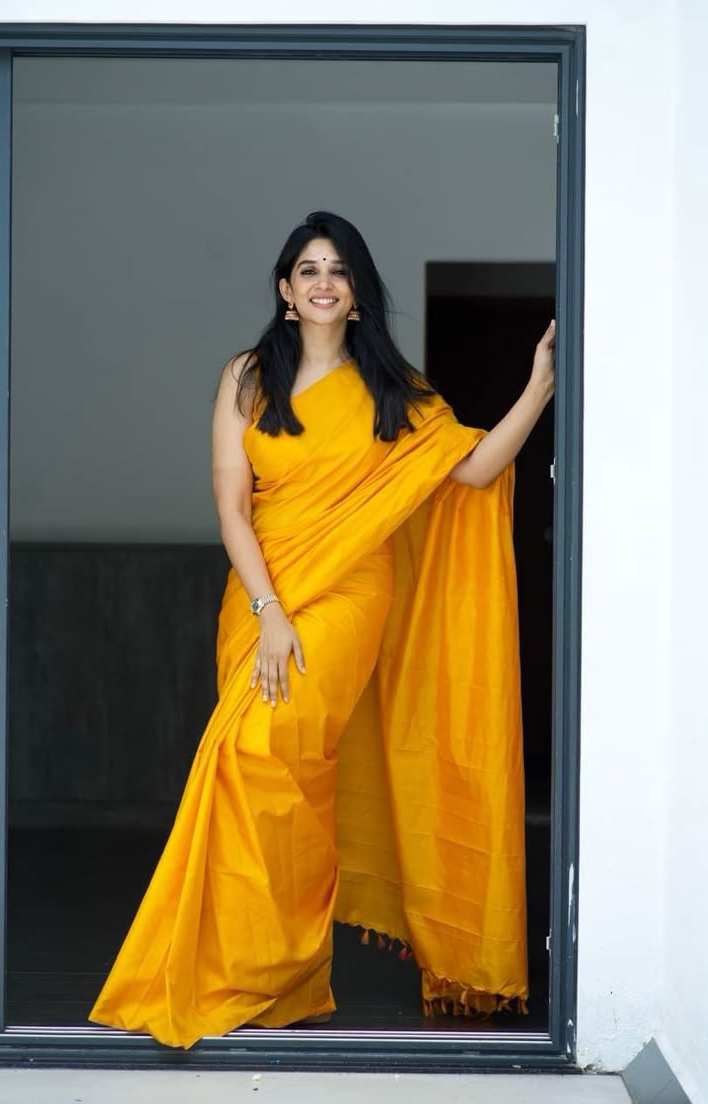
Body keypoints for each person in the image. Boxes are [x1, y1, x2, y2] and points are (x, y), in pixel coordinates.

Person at [89, 211, 555, 1049]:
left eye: (338, 270)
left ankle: (260, 971)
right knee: (265, 772)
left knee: (267, 754)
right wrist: (269, 613)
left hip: (346, 595)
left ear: (358, 294)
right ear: (285, 290)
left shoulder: (395, 394)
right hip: (260, 597)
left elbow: (477, 468)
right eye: (307, 269)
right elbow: (233, 509)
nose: (322, 282)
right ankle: (278, 974)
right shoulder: (247, 376)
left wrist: (540, 387)